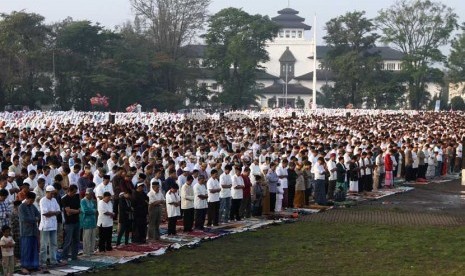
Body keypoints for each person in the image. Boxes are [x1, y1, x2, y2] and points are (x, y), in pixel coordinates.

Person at [39, 185, 63, 268]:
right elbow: (45, 214)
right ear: (47, 192)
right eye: (51, 193)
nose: (53, 195)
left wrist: (51, 213)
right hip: (45, 226)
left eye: (53, 193)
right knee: (44, 245)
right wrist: (54, 213)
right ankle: (43, 261)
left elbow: (59, 211)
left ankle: (53, 260)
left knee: (54, 244)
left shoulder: (54, 200)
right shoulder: (43, 200)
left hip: (53, 225)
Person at [18, 192, 40, 274]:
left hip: (33, 231)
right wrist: (34, 219)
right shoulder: (21, 207)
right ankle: (24, 266)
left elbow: (38, 215)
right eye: (31, 200)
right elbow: (24, 219)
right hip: (26, 232)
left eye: (33, 201)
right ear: (27, 198)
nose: (32, 202)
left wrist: (34, 219)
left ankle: (33, 266)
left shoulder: (33, 206)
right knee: (26, 250)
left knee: (34, 250)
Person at [61, 184, 81, 261]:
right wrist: (77, 211)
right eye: (74, 192)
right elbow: (68, 211)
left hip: (76, 221)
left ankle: (74, 256)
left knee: (76, 240)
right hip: (69, 223)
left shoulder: (76, 197)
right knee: (68, 241)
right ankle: (64, 256)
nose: (75, 193)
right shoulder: (65, 199)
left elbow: (78, 209)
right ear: (70, 191)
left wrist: (75, 211)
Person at [80, 188, 97, 256]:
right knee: (86, 238)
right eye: (90, 195)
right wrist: (92, 211)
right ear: (87, 194)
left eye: (92, 195)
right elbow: (85, 211)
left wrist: (92, 211)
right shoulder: (83, 201)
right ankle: (86, 252)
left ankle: (91, 251)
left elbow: (96, 209)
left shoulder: (92, 201)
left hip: (93, 221)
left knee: (93, 238)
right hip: (86, 222)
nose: (91, 196)